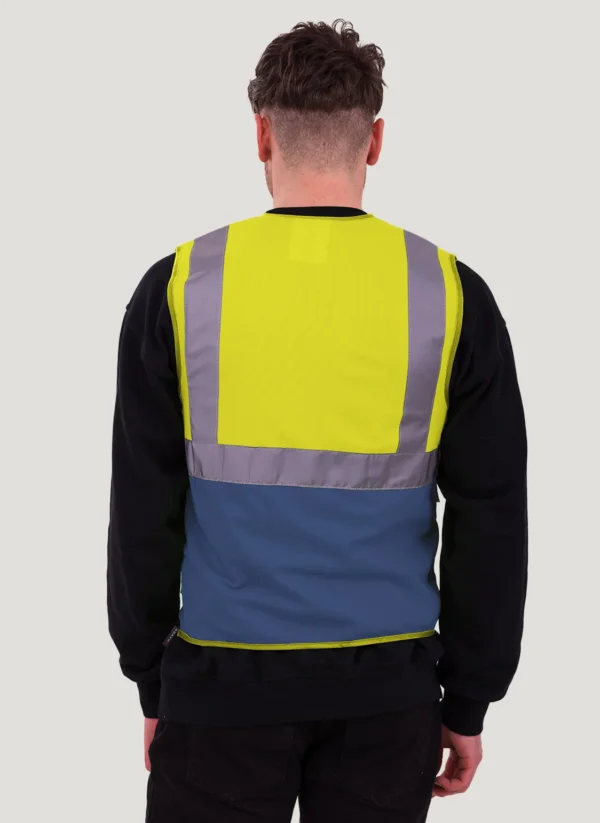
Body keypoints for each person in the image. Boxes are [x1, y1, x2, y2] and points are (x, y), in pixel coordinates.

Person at [107, 19, 527, 823]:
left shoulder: (179, 287)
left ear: (262, 135)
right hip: (389, 693)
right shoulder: (451, 293)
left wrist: (151, 680)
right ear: (375, 141)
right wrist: (469, 698)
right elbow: (492, 515)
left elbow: (141, 508)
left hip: (220, 689)